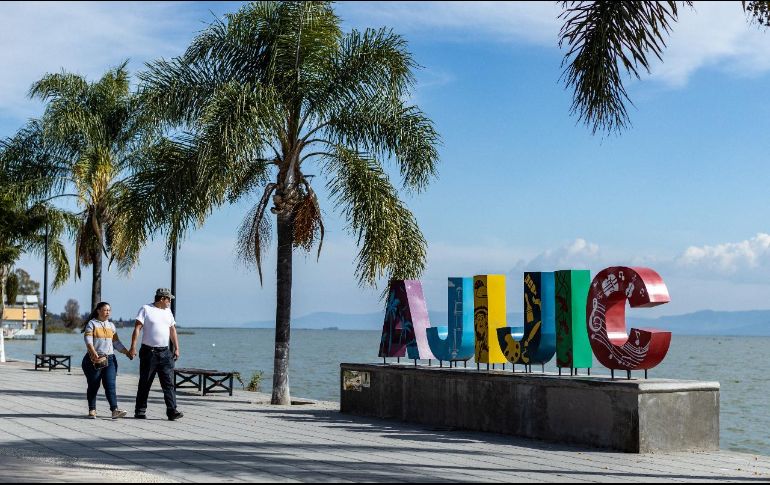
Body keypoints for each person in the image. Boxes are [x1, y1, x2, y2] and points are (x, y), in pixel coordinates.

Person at [128, 288, 183, 421]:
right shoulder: (146, 309)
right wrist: (133, 347)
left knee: (168, 383)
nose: (170, 301)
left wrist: (176, 348)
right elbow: (137, 328)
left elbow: (172, 330)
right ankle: (140, 411)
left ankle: (172, 411)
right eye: (168, 299)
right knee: (145, 382)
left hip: (165, 353)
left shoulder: (168, 311)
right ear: (162, 299)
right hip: (149, 352)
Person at [82, 301, 132, 419]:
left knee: (110, 385)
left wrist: (127, 352)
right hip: (94, 359)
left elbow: (116, 343)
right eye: (105, 310)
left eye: (109, 310)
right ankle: (92, 409)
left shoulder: (111, 326)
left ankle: (114, 410)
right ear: (99, 311)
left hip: (110, 359)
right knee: (94, 384)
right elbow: (88, 340)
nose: (108, 312)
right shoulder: (92, 324)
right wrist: (94, 353)